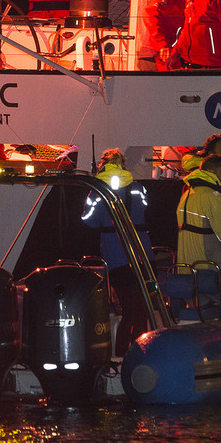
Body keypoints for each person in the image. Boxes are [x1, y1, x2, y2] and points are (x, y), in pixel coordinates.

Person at [82, 148, 153, 355]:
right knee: (141, 310)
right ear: (123, 164)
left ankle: (121, 354)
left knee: (128, 310)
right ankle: (140, 352)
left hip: (115, 255)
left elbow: (88, 220)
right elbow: (146, 206)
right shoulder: (137, 187)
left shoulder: (96, 190)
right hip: (142, 252)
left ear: (103, 164)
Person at [175, 153, 221, 317]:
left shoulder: (186, 197)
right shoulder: (214, 198)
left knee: (201, 322)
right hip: (219, 274)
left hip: (191, 274)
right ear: (211, 171)